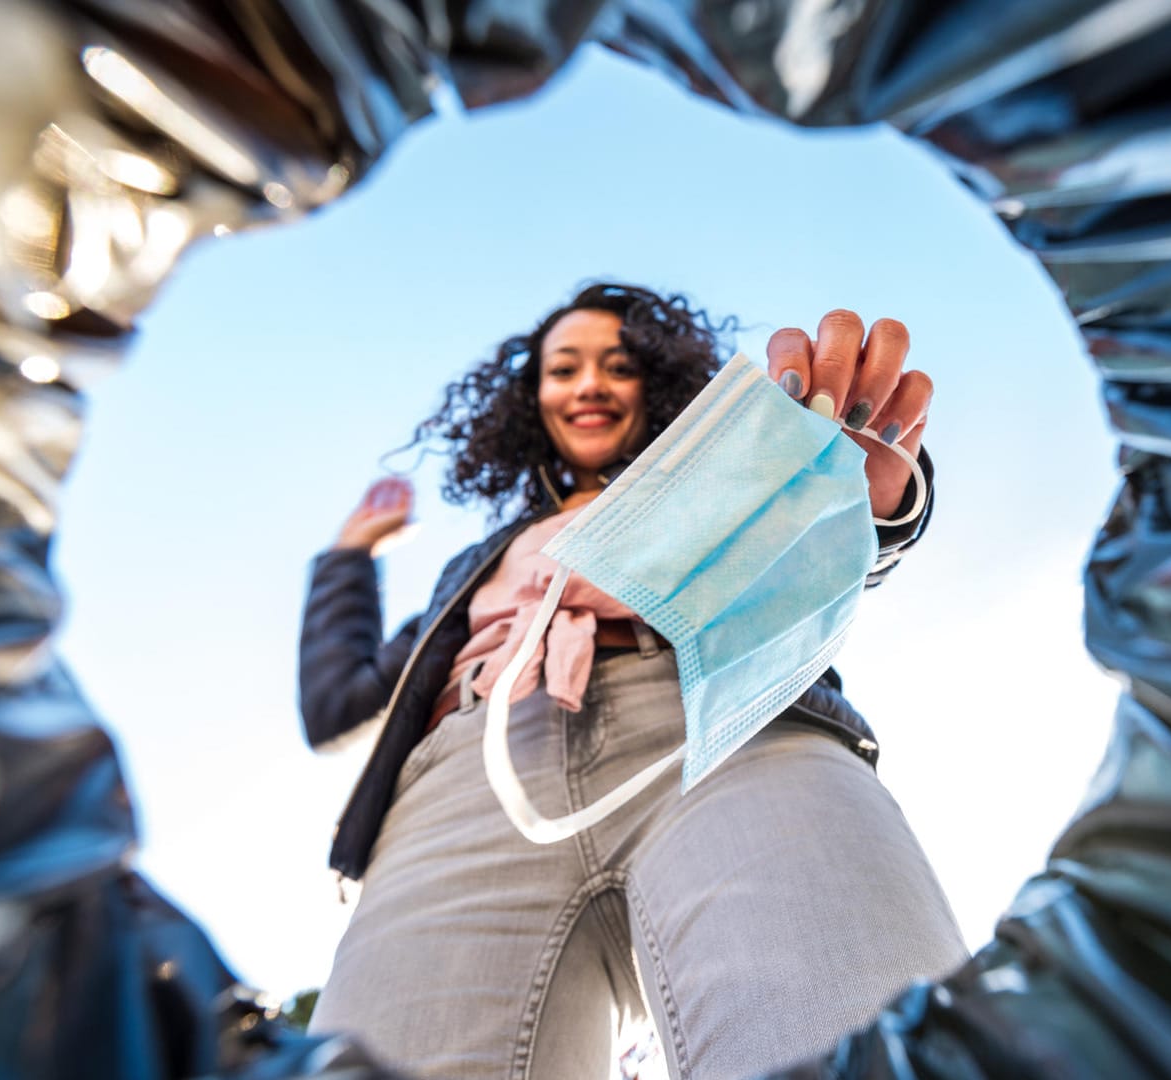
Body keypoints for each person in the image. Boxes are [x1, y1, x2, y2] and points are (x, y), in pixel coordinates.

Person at [297, 283, 967, 1080]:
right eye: (563, 369)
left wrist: (864, 506)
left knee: (869, 1038)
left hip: (727, 735)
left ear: (656, 379)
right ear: (531, 399)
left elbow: (814, 562)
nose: (589, 385)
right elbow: (337, 708)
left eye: (618, 365)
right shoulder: (468, 575)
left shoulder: (719, 485)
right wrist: (348, 555)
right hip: (465, 777)